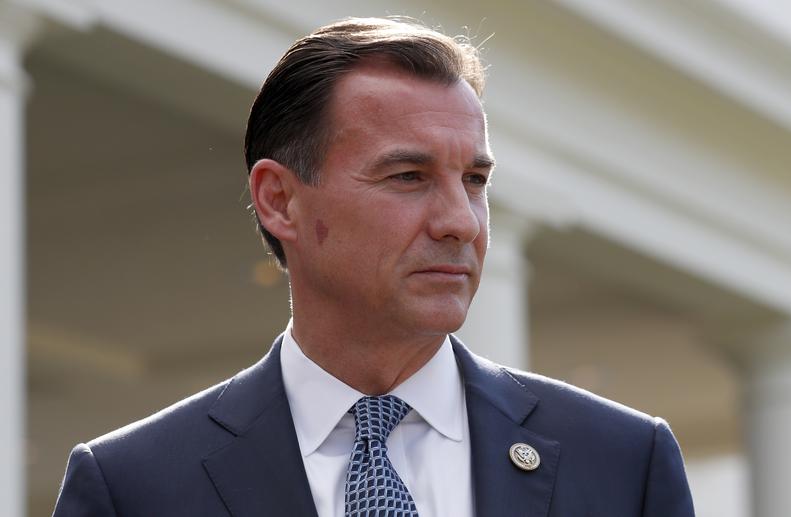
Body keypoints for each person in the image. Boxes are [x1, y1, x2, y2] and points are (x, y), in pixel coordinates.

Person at [53, 17, 695, 517]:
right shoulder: (134, 487)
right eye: (408, 176)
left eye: (474, 180)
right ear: (280, 200)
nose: (461, 221)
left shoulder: (621, 462)